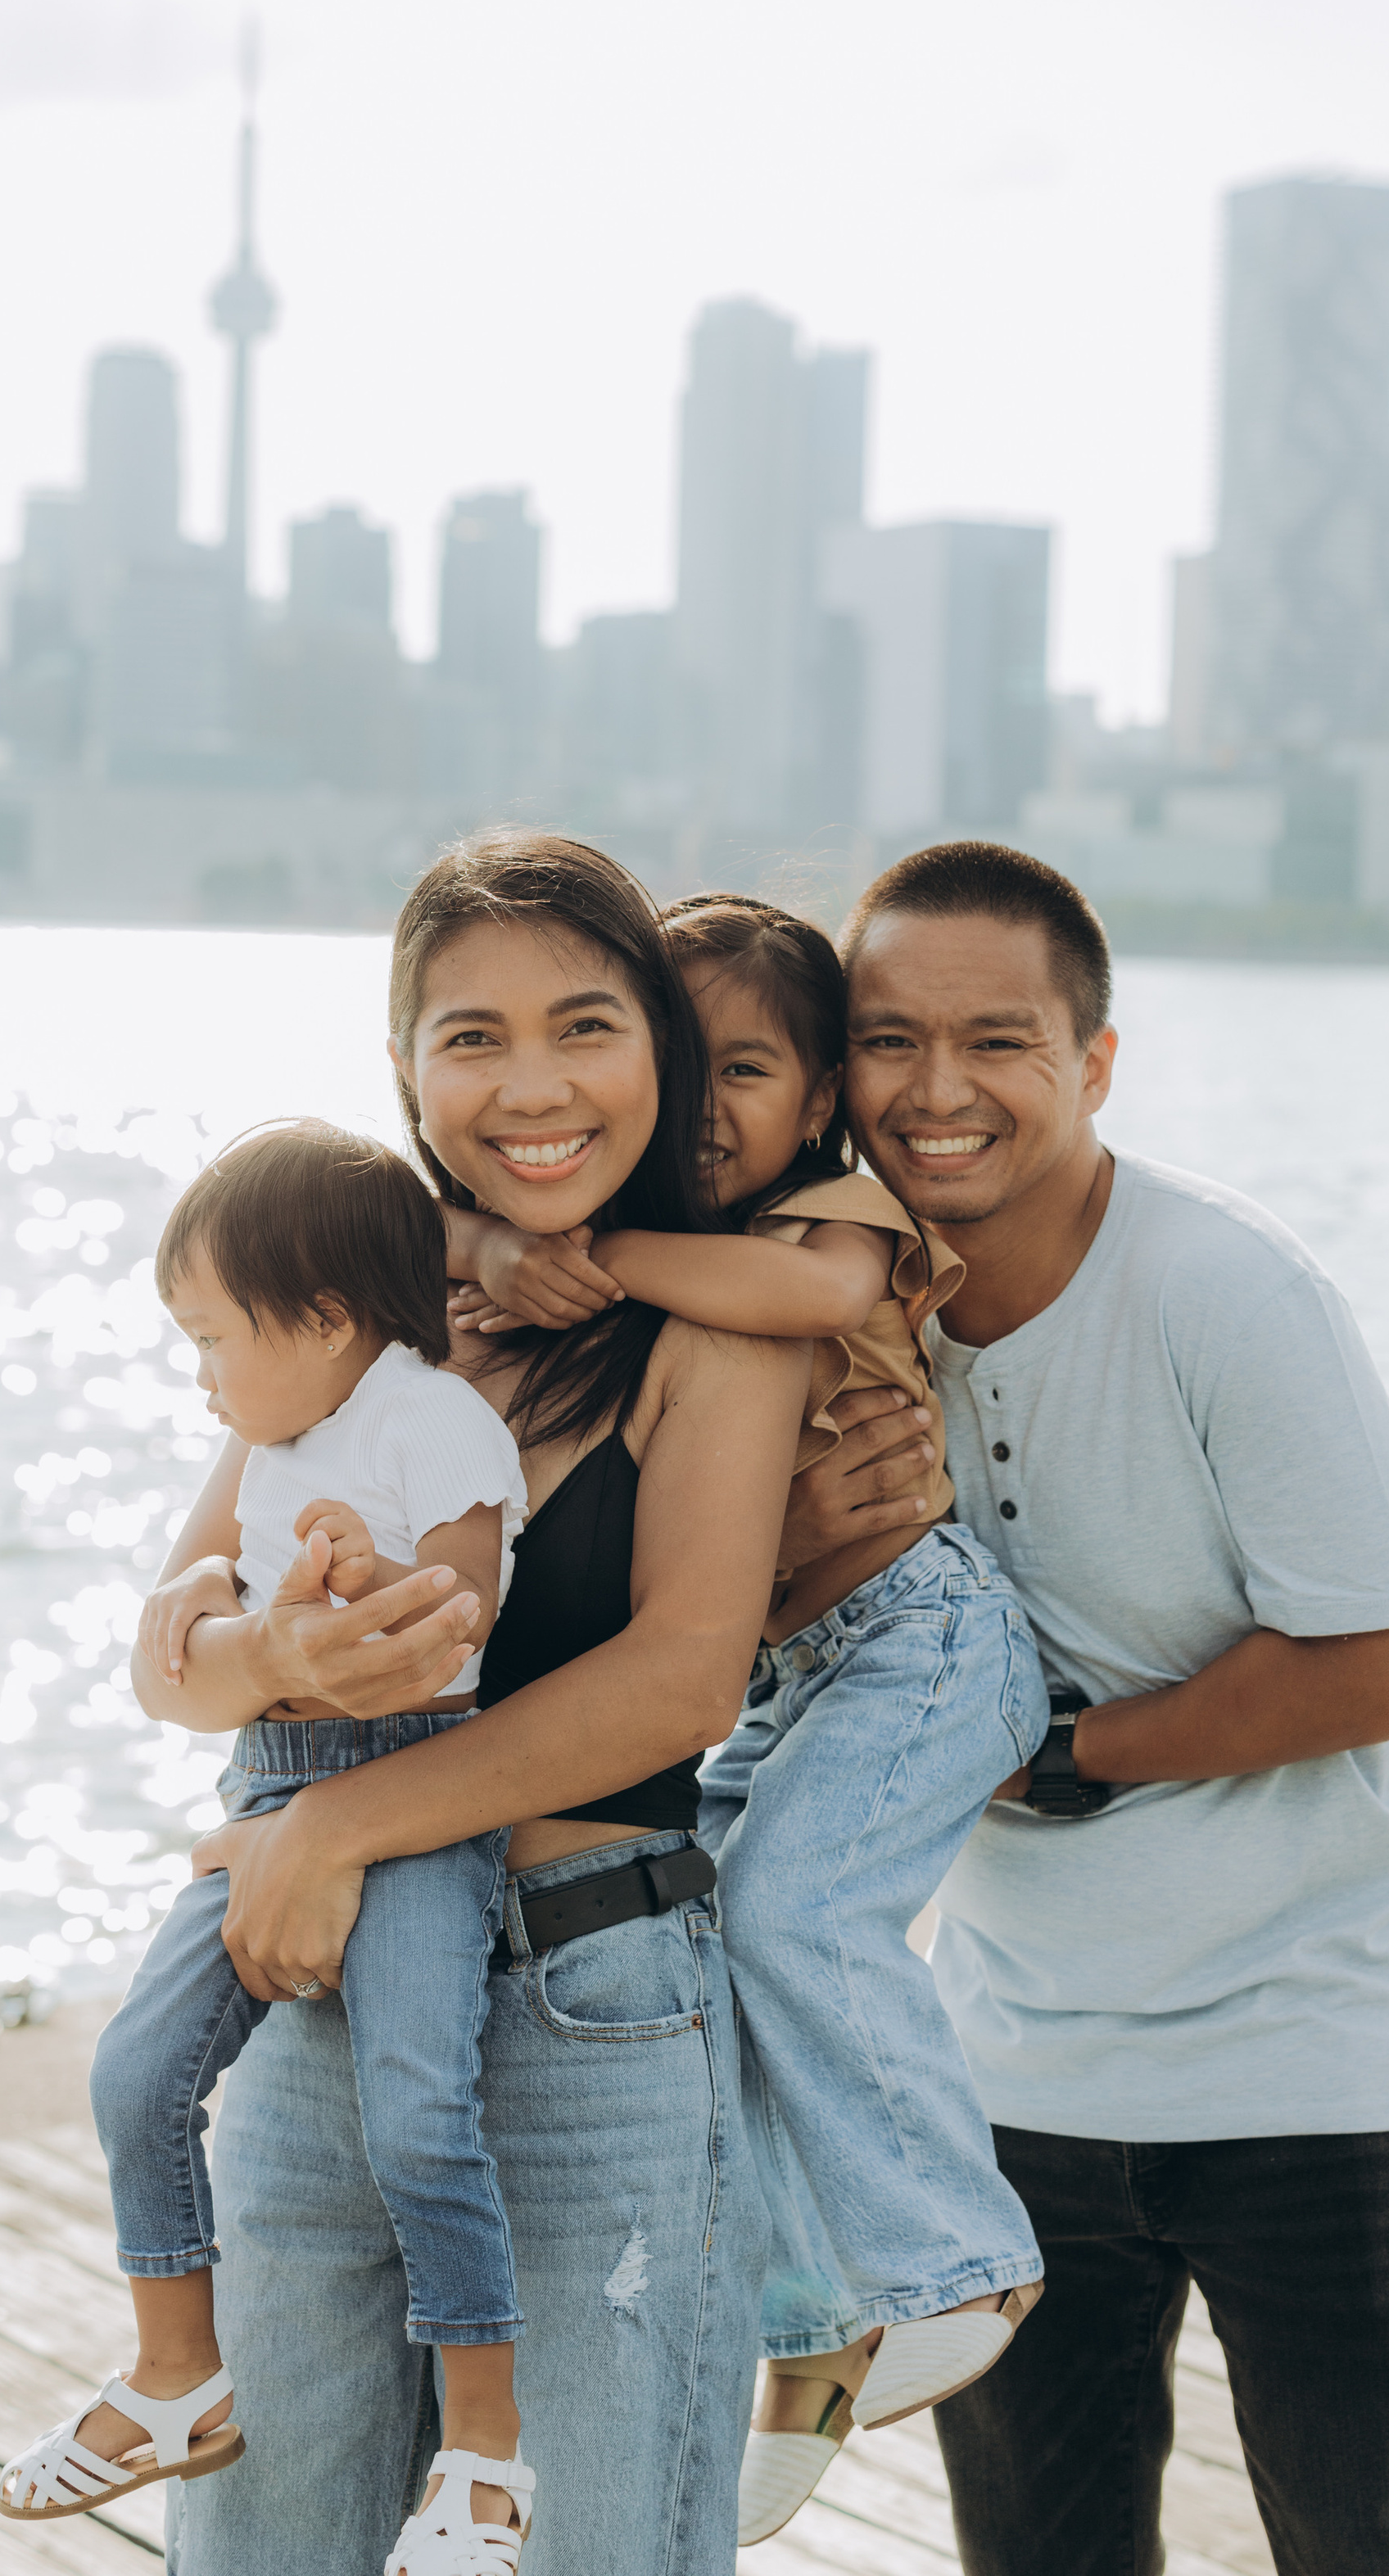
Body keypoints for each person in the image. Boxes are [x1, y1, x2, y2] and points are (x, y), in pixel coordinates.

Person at [779, 838, 1389, 2576]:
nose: (936, 1092)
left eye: (997, 1041)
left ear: (1090, 1063)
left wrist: (1064, 1755)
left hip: (1307, 2056)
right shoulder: (835, 1315)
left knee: (1373, 2549)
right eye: (886, 1040)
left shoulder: (1224, 1290)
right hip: (1007, 2072)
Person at [142, 832, 811, 2576]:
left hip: (589, 2012)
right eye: (469, 1038)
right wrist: (276, 1665)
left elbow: (680, 1677)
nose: (532, 1086)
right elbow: (169, 1647)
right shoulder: (349, 1320)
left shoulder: (715, 1327)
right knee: (261, 2547)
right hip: (321, 2008)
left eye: (584, 1026)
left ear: (655, 1054)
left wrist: (341, 1819)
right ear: (401, 1068)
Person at [449, 893, 1047, 2545]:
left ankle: (958, 2259)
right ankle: (807, 2328)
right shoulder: (608, 1252)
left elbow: (797, 1305)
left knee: (793, 1913)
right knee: (708, 1954)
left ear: (818, 1103)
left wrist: (595, 1259)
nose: (710, 1108)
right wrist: (503, 1247)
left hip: (917, 1640)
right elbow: (409, 1230)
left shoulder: (824, 1218)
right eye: (682, 1064)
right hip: (802, 1668)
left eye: (752, 1069)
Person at [0, 1119, 530, 2567]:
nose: (203, 1373)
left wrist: (319, 1607)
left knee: (419, 2110)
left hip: (416, 1799)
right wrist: (232, 1626)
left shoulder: (435, 1422)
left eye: (214, 1336)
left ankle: (486, 2439)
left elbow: (450, 1630)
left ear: (328, 1318)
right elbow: (177, 1650)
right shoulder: (273, 1434)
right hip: (270, 1788)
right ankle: (179, 2372)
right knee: (134, 2071)